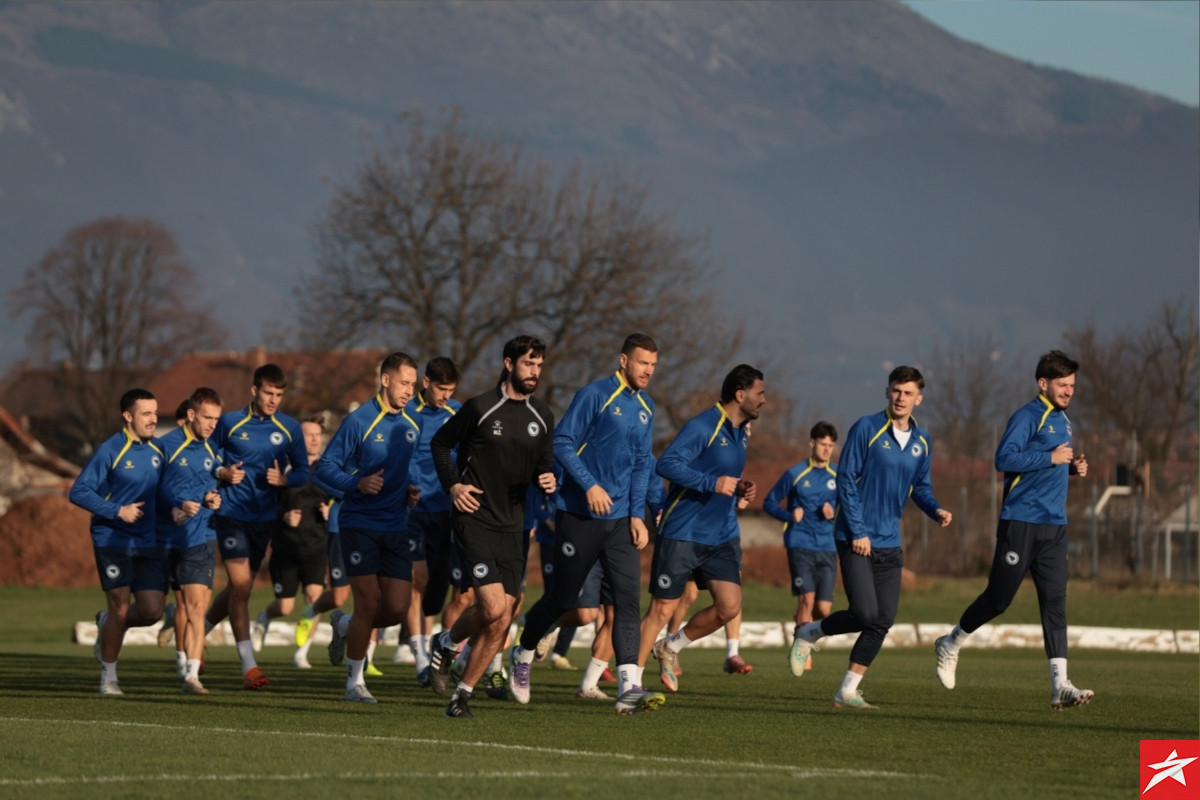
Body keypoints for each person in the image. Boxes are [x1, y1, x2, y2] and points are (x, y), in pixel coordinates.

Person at [511, 334, 663, 715]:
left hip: (620, 522)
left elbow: (642, 464)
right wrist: (589, 485)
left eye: (653, 365)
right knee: (563, 600)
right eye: (642, 362)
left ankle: (628, 687)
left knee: (627, 601)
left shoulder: (647, 407)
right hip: (579, 515)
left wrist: (637, 514)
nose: (648, 371)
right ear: (623, 360)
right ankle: (523, 652)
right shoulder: (595, 395)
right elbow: (562, 442)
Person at [935, 350, 1093, 710]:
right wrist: (1051, 458)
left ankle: (1060, 685)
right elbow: (1003, 459)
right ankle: (951, 643)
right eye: (1062, 384)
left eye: (1072, 385)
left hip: (1054, 526)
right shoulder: (1027, 416)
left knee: (1055, 604)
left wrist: (1070, 468)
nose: (1069, 391)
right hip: (1020, 522)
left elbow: (1047, 465)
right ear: (1043, 383)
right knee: (999, 600)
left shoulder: (1064, 419)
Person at [792, 365, 952, 709]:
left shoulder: (923, 441)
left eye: (908, 393)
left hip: (890, 541)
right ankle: (809, 632)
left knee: (882, 621)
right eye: (896, 390)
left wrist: (935, 509)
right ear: (887, 392)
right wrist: (859, 530)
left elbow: (921, 487)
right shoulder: (866, 428)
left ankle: (846, 691)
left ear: (919, 399)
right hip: (855, 536)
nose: (901, 398)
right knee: (865, 613)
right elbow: (846, 480)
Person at [427, 334, 556, 719]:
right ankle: (448, 645)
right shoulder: (480, 407)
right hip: (475, 518)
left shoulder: (542, 416)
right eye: (528, 364)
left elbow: (544, 466)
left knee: (503, 616)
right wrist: (454, 485)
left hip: (514, 527)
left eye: (539, 365)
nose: (534, 372)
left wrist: (547, 479)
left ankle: (460, 692)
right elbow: (440, 444)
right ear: (509, 364)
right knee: (493, 605)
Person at [640, 364, 766, 696]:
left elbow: (724, 475)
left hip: (720, 535)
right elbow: (666, 464)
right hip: (683, 531)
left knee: (729, 606)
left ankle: (670, 647)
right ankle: (630, 685)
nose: (763, 400)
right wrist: (713, 483)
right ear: (740, 395)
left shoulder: (741, 433)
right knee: (662, 609)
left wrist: (740, 489)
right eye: (760, 393)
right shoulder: (703, 425)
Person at [315, 352, 422, 703]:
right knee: (368, 602)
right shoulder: (359, 421)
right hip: (359, 524)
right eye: (404, 383)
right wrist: (356, 483)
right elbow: (324, 469)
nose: (409, 391)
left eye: (413, 385)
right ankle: (354, 683)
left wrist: (409, 489)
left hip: (396, 525)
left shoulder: (413, 423)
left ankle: (344, 625)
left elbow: (404, 468)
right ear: (385, 380)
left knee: (397, 608)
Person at [205, 363, 308, 690]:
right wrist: (222, 473)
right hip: (231, 514)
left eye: (279, 395)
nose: (274, 400)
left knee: (240, 588)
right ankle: (249, 666)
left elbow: (303, 471)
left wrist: (284, 480)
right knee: (242, 586)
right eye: (268, 393)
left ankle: (197, 631)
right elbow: (206, 456)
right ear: (254, 391)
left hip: (264, 519)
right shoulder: (230, 422)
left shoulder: (289, 428)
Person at [70, 388, 165, 695]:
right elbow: (79, 491)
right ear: (128, 416)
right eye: (146, 413)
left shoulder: (159, 450)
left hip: (147, 541)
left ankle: (106, 623)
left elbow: (165, 491)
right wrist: (117, 511)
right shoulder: (110, 450)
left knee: (152, 612)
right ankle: (109, 677)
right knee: (121, 608)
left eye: (155, 413)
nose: (153, 419)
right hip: (112, 539)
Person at [398, 357, 462, 684]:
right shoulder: (406, 412)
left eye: (451, 390)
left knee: (438, 595)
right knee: (416, 581)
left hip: (446, 513)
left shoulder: (458, 413)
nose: (445, 396)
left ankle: (443, 648)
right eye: (441, 389)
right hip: (412, 512)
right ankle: (421, 659)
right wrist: (404, 487)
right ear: (426, 383)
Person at [157, 387, 225, 694]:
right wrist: (173, 506)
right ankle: (111, 621)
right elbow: (151, 488)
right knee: (150, 609)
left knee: (197, 608)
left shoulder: (214, 449)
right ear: (191, 414)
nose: (212, 424)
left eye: (216, 419)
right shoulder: (165, 446)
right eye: (207, 418)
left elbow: (215, 487)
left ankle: (191, 675)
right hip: (164, 539)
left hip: (200, 537)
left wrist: (214, 499)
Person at [250, 413, 330, 669]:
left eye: (317, 435)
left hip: (316, 547)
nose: (314, 439)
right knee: (285, 607)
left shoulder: (328, 469)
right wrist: (283, 516)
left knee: (314, 600)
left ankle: (301, 653)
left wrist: (331, 511)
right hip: (286, 547)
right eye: (308, 435)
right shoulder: (284, 468)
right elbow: (264, 505)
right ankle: (264, 618)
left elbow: (342, 499)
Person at [763, 421, 839, 676]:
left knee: (823, 609)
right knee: (806, 599)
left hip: (828, 545)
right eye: (823, 444)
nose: (826, 449)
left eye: (830, 445)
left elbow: (851, 507)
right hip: (800, 542)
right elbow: (769, 502)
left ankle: (803, 630)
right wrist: (788, 515)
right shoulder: (795, 473)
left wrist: (834, 511)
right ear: (812, 443)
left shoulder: (838, 475)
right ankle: (802, 649)